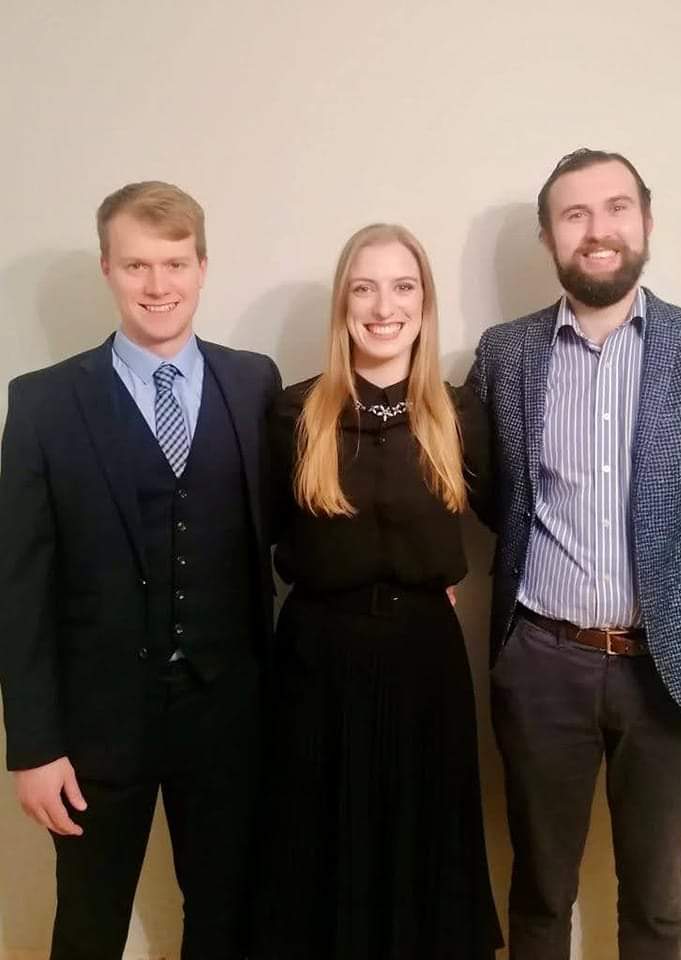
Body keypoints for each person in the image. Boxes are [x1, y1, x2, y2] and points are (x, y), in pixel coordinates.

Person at [467, 148, 681, 960]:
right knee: (538, 892)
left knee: (658, 903)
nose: (597, 230)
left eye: (614, 208)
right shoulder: (505, 354)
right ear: (548, 237)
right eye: (574, 214)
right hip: (540, 664)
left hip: (670, 672)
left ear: (645, 221)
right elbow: (494, 500)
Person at [0, 181, 280, 960]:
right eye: (136, 266)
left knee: (226, 918)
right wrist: (32, 745)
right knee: (88, 924)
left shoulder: (253, 383)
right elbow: (18, 589)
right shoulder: (43, 404)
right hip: (95, 730)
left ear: (201, 267)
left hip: (228, 717)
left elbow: (299, 521)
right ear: (106, 270)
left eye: (174, 263)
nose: (158, 286)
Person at [263, 223, 502, 960]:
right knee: (319, 841)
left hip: (423, 659)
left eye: (403, 286)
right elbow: (260, 534)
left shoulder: (459, 413)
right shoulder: (291, 413)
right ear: (342, 303)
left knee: (421, 838)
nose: (382, 306)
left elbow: (508, 519)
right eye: (363, 287)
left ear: (424, 304)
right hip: (316, 661)